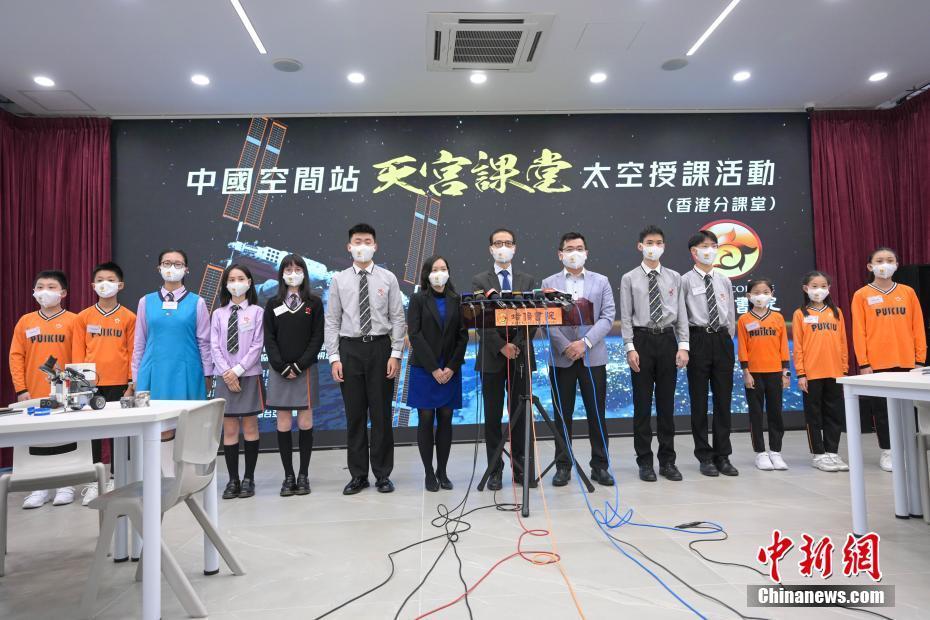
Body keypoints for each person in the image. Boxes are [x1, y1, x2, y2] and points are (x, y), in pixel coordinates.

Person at [325, 224, 405, 495]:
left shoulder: (388, 278)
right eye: (357, 241)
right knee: (355, 416)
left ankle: (383, 474)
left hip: (380, 348)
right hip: (349, 350)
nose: (362, 246)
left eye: (367, 241)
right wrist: (334, 357)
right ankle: (358, 475)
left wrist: (395, 354)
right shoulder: (338, 280)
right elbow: (332, 320)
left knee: (381, 415)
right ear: (349, 247)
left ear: (375, 246)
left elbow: (398, 318)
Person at [541, 232, 616, 487]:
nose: (575, 253)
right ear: (560, 254)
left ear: (586, 252)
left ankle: (600, 466)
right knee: (563, 415)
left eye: (579, 248)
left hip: (592, 358)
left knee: (597, 414)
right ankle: (563, 466)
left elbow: (607, 317)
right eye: (569, 248)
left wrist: (585, 343)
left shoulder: (601, 281)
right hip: (561, 359)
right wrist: (566, 346)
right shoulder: (548, 283)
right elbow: (546, 320)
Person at [132, 249, 213, 476]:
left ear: (186, 269)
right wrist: (136, 377)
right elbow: (139, 342)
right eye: (167, 263)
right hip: (154, 373)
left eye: (178, 264)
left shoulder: (197, 302)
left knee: (189, 426)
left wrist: (207, 374)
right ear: (159, 268)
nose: (172, 268)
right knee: (161, 429)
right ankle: (169, 479)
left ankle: (189, 477)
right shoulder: (145, 302)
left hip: (187, 372)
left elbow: (204, 342)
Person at [620, 225, 689, 482]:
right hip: (642, 340)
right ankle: (645, 462)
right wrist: (630, 347)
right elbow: (626, 316)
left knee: (666, 405)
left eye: (658, 242)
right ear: (640, 246)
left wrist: (683, 345)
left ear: (664, 246)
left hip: (668, 339)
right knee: (642, 405)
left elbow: (681, 313)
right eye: (649, 242)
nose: (654, 247)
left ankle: (668, 461)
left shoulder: (674, 277)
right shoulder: (629, 278)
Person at [471, 228, 538, 491]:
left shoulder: (527, 280)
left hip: (520, 357)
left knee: (521, 415)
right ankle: (495, 470)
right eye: (498, 243)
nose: (503, 247)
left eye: (507, 243)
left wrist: (515, 346)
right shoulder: (480, 280)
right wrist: (501, 347)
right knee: (492, 417)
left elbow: (533, 317)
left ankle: (521, 469)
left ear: (515, 248)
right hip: (492, 358)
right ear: (490, 249)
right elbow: (479, 319)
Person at [851, 247, 926, 472]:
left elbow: (918, 327)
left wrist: (920, 360)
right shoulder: (861, 295)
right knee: (882, 410)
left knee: (909, 409)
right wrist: (864, 363)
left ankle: (909, 449)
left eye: (890, 260)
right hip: (877, 363)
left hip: (907, 362)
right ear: (870, 266)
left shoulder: (908, 292)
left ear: (896, 264)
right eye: (879, 260)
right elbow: (859, 331)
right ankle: (888, 450)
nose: (885, 264)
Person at [9, 270, 78, 508]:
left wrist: (75, 387)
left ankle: (66, 485)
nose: (44, 291)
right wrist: (21, 389)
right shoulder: (25, 321)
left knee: (65, 438)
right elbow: (16, 356)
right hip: (33, 392)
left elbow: (79, 356)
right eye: (40, 287)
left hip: (64, 392)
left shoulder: (74, 321)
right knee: (38, 440)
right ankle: (40, 488)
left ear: (63, 293)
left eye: (51, 287)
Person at [71, 261, 136, 505]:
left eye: (110, 280)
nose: (104, 284)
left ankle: (119, 478)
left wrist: (131, 382)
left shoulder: (129, 317)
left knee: (119, 433)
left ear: (121, 285)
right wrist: (79, 384)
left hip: (120, 383)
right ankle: (95, 481)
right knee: (93, 435)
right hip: (90, 384)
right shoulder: (83, 317)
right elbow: (78, 351)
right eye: (100, 280)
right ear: (92, 285)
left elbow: (133, 352)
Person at [406, 255, 468, 492]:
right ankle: (428, 473)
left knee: (445, 418)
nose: (439, 273)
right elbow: (415, 334)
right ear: (427, 274)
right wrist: (434, 368)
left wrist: (451, 366)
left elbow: (462, 336)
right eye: (435, 269)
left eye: (443, 268)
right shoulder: (418, 299)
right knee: (425, 419)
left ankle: (442, 471)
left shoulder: (457, 300)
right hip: (425, 368)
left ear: (449, 272)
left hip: (450, 368)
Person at [263, 254, 324, 496]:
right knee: (284, 423)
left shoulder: (314, 303)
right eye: (288, 270)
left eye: (297, 269)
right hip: (280, 371)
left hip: (305, 371)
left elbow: (317, 338)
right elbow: (269, 338)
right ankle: (288, 476)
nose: (293, 273)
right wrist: (281, 366)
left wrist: (299, 366)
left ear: (304, 273)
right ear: (281, 274)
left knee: (306, 422)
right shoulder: (273, 303)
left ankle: (303, 475)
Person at [681, 230, 739, 477]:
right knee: (699, 400)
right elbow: (681, 315)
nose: (710, 250)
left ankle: (722, 455)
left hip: (722, 339)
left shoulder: (724, 280)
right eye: (705, 246)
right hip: (698, 338)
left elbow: (731, 314)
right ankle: (704, 456)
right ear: (694, 252)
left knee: (723, 400)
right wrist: (685, 344)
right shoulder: (685, 281)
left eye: (714, 245)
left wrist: (726, 338)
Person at [211, 264, 264, 499]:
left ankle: (248, 479)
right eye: (231, 279)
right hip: (225, 377)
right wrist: (227, 372)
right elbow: (214, 346)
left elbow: (257, 344)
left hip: (249, 375)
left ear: (249, 282)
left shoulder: (257, 312)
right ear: (225, 284)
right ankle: (233, 480)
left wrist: (239, 370)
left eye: (240, 278)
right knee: (230, 429)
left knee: (250, 427)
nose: (236, 283)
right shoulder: (218, 314)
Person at [792, 271, 849, 473]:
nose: (819, 290)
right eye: (814, 286)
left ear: (829, 288)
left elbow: (843, 342)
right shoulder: (800, 314)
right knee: (814, 415)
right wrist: (801, 373)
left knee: (834, 414)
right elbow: (798, 346)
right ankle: (818, 454)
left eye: (823, 286)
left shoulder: (836, 312)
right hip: (812, 373)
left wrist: (844, 369)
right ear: (806, 289)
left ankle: (832, 451)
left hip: (834, 372)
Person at [737, 277, 791, 471]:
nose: (761, 296)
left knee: (776, 413)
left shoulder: (778, 318)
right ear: (748, 295)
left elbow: (783, 346)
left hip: (775, 372)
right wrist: (746, 372)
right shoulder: (744, 319)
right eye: (757, 292)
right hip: (754, 374)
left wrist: (786, 372)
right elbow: (742, 348)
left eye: (766, 292)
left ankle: (775, 451)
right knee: (756, 414)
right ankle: (760, 453)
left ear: (772, 295)